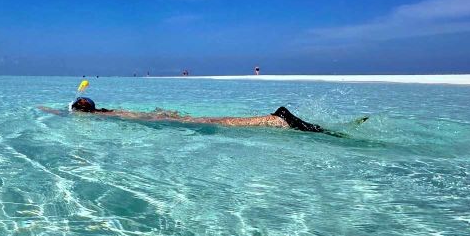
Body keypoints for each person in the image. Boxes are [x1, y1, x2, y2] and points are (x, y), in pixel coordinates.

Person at [39, 97, 362, 134]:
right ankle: (277, 119)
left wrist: (47, 110)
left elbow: (65, 112)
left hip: (170, 122)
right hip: (167, 117)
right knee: (220, 121)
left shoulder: (101, 117)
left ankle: (278, 118)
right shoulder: (106, 111)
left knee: (223, 123)